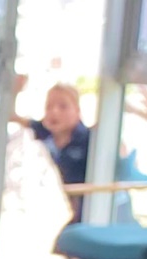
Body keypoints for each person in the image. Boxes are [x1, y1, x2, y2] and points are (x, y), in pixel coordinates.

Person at [20, 82, 93, 221]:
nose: (54, 112)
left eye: (63, 106)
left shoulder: (89, 140)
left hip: (87, 212)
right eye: (49, 106)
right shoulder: (43, 131)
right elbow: (13, 117)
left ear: (77, 111)